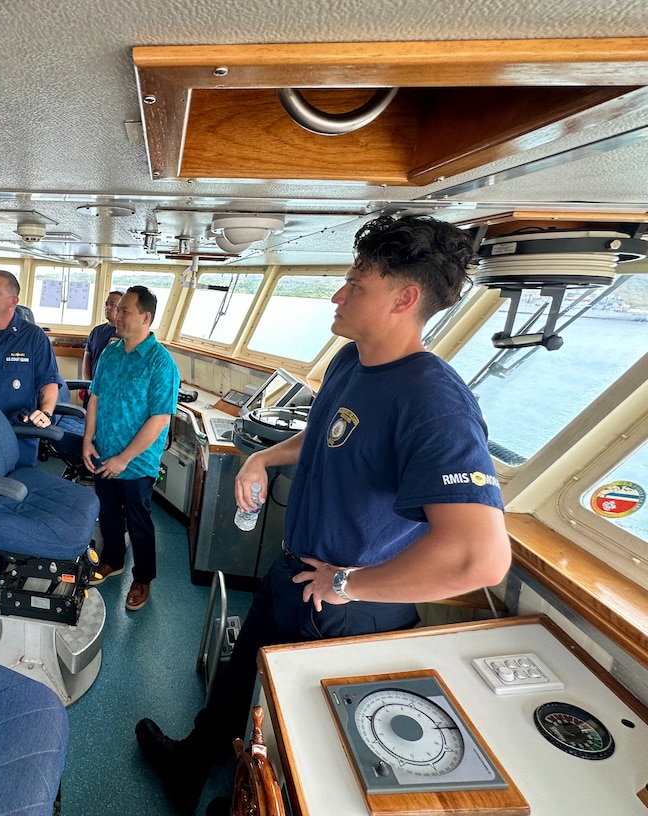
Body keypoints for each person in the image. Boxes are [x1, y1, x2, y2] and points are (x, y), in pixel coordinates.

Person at [135, 214, 511, 814]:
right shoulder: (350, 362)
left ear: (404, 299)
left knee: (299, 736)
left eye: (356, 284)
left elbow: (479, 557)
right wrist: (261, 459)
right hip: (295, 574)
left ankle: (246, 805)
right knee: (239, 680)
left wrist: (346, 584)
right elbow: (321, 432)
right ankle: (191, 765)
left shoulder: (434, 401)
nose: (338, 294)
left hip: (344, 604)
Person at [82, 286, 180, 611]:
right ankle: (113, 560)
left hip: (136, 464)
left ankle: (143, 579)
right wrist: (87, 440)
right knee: (107, 513)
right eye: (117, 309)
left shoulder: (161, 363)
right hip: (102, 451)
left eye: (125, 310)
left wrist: (124, 459)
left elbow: (159, 418)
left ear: (145, 317)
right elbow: (94, 399)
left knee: (139, 522)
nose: (117, 316)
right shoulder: (110, 353)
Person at [0, 269, 61, 469]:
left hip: (18, 433)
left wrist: (45, 413)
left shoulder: (34, 337)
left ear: (13, 301)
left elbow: (49, 382)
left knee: (19, 491)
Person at [82, 289, 123, 381]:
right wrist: (89, 384)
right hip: (94, 385)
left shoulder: (126, 335)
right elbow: (87, 359)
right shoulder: (96, 331)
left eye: (112, 305)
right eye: (106, 304)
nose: (107, 307)